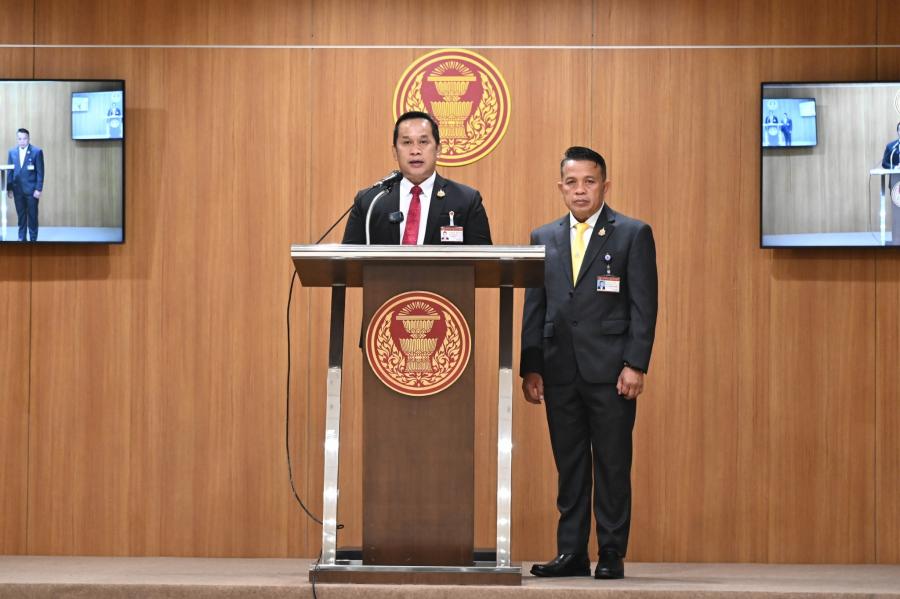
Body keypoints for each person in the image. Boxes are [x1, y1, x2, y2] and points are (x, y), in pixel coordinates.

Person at [520, 146, 658, 580]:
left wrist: (636, 363)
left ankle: (611, 552)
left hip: (612, 371)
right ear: (560, 187)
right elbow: (534, 307)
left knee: (613, 464)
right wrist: (531, 366)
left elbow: (644, 306)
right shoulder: (543, 237)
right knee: (571, 466)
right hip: (559, 370)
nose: (580, 190)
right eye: (572, 182)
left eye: (589, 182)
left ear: (605, 185)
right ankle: (572, 552)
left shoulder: (632, 233)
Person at [342, 111, 492, 245]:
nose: (415, 151)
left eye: (423, 142)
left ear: (438, 149)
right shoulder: (370, 201)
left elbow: (484, 263)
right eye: (407, 142)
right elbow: (348, 263)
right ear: (395, 152)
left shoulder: (466, 201)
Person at [7, 128, 44, 242]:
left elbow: (40, 172)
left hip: (32, 191)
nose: (22, 141)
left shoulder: (37, 152)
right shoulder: (12, 152)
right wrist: (9, 188)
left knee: (32, 216)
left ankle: (33, 240)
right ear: (17, 139)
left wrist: (38, 189)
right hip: (17, 190)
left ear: (29, 139)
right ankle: (21, 238)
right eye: (20, 139)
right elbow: (10, 172)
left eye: (24, 138)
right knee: (21, 216)